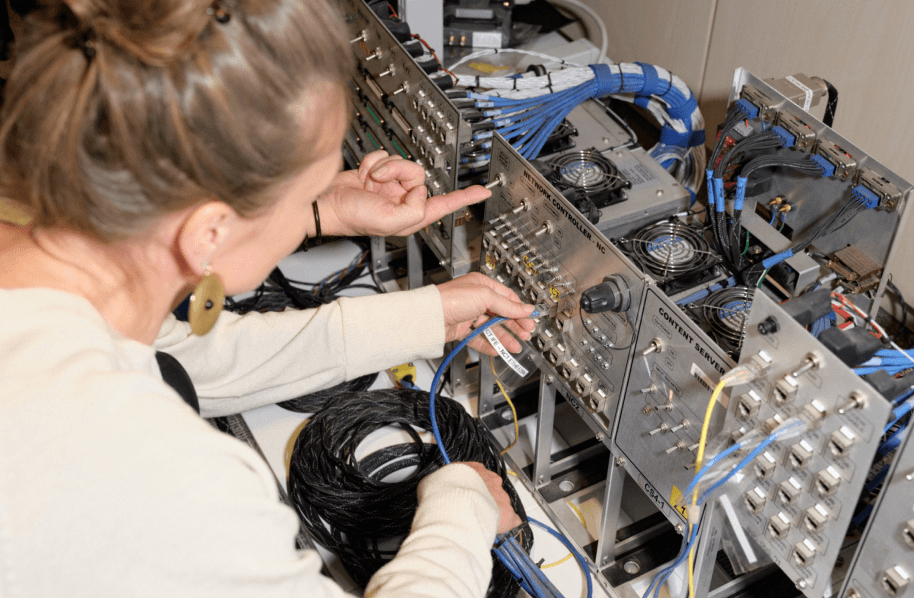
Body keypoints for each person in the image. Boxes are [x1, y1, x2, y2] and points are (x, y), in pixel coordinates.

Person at [0, 0, 536, 596]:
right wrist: (461, 510)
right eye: (309, 188)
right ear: (209, 232)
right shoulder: (162, 481)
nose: (317, 207)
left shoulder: (47, 276)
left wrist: (418, 306)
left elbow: (180, 358)